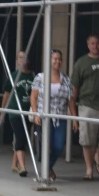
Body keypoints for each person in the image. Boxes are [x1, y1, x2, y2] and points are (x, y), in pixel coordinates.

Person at [70, 34, 99, 180]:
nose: (95, 46)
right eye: (92, 44)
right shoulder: (81, 63)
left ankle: (98, 155)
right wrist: (74, 116)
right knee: (87, 140)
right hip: (87, 105)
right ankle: (89, 170)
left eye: (97, 43)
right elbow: (74, 90)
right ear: (88, 45)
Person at [30, 49, 76, 181]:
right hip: (44, 116)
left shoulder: (66, 79)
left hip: (60, 116)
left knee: (58, 145)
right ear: (49, 60)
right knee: (46, 144)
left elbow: (70, 100)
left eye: (59, 59)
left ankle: (47, 167)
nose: (57, 61)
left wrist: (74, 118)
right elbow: (33, 97)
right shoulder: (40, 77)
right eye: (55, 58)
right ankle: (46, 171)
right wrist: (36, 113)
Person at [0, 51, 34, 177]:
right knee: (20, 136)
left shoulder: (33, 76)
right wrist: (2, 111)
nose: (22, 60)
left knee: (23, 138)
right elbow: (6, 94)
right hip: (15, 111)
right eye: (20, 57)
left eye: (25, 57)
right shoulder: (13, 75)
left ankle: (14, 164)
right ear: (17, 61)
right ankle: (23, 167)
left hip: (28, 112)